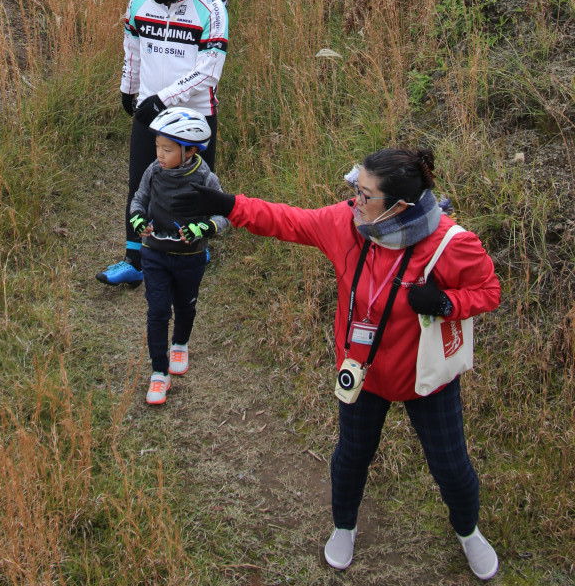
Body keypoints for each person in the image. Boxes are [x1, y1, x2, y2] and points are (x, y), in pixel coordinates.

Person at [187, 147, 501, 581]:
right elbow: (289, 220)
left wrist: (448, 302)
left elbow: (489, 291)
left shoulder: (450, 243)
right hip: (362, 371)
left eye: (366, 194)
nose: (355, 199)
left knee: (450, 465)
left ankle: (468, 532)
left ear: (399, 207)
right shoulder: (348, 225)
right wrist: (229, 206)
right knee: (352, 456)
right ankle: (344, 527)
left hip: (427, 379)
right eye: (356, 187)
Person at [97, 0, 228, 287]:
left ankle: (194, 248)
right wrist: (129, 88)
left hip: (195, 112)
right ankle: (134, 259)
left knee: (197, 185)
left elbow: (209, 70)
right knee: (140, 180)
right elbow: (132, 48)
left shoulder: (211, 8)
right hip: (150, 109)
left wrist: (163, 98)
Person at [129, 106, 231, 404]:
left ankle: (181, 343)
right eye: (158, 147)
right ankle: (159, 373)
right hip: (155, 255)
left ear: (189, 151)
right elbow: (139, 198)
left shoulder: (204, 178)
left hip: (190, 259)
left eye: (168, 149)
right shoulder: (154, 171)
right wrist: (137, 220)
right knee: (158, 311)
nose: (159, 154)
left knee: (185, 307)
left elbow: (225, 216)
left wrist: (204, 227)